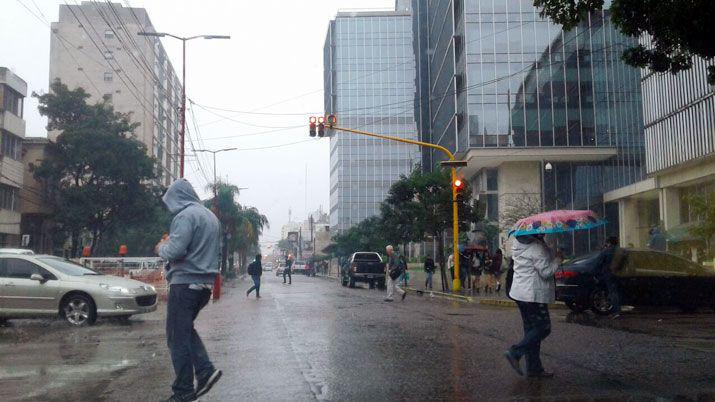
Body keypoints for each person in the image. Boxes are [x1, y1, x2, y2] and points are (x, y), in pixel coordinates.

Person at [155, 179, 223, 402]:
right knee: (183, 331)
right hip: (204, 286)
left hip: (185, 284)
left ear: (177, 197)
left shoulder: (185, 216)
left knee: (176, 337)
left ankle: (183, 391)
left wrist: (161, 247)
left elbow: (175, 250)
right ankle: (204, 370)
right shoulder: (211, 218)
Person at [504, 234, 562, 379]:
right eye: (542, 232)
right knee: (543, 328)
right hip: (533, 295)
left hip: (520, 294)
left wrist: (549, 251)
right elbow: (546, 272)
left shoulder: (519, 244)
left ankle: (534, 368)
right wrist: (558, 260)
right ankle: (515, 352)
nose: (544, 233)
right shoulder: (536, 247)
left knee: (532, 331)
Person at [595, 236, 624, 314]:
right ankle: (619, 307)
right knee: (618, 291)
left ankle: (616, 310)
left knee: (612, 292)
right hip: (621, 274)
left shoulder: (606, 251)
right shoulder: (621, 251)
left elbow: (598, 263)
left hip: (609, 274)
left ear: (609, 243)